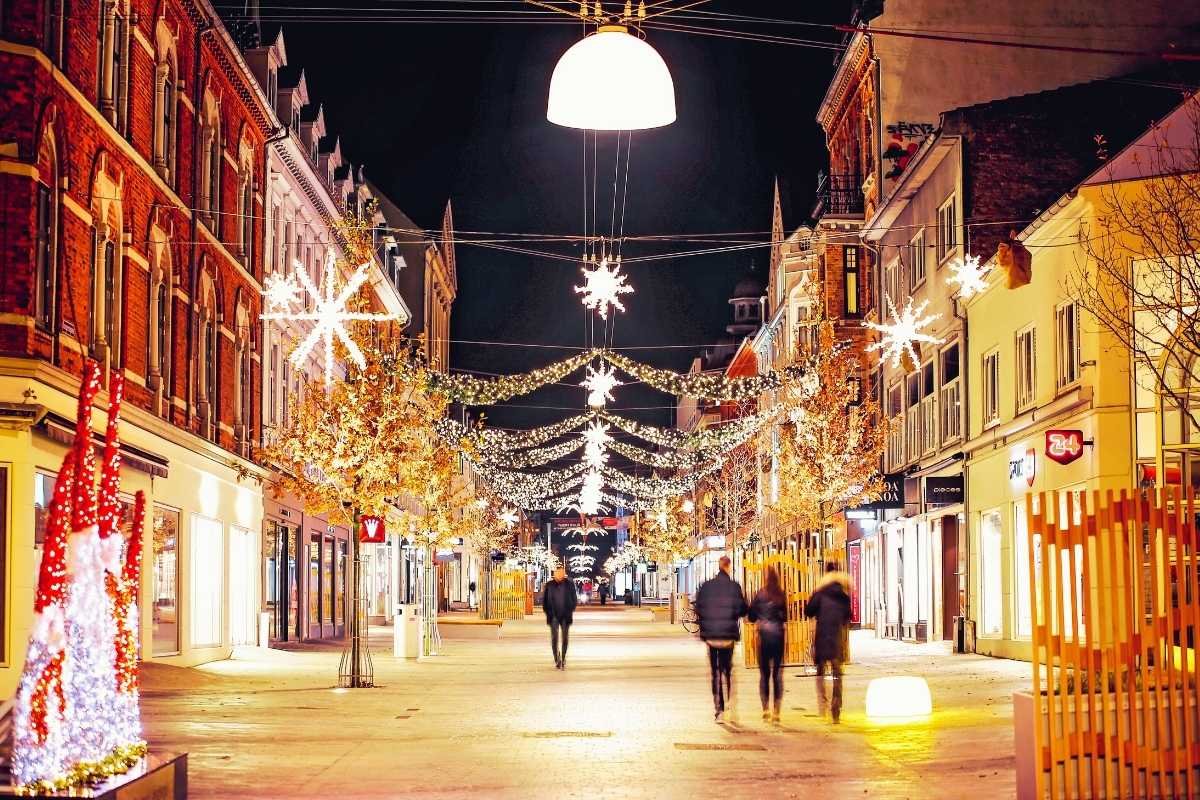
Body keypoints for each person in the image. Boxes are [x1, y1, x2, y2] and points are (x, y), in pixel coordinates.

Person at [694, 556, 748, 721]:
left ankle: (719, 708)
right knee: (727, 670)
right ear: (728, 567)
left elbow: (698, 608)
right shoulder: (734, 587)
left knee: (715, 672)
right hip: (728, 636)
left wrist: (706, 623)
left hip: (711, 637)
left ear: (718, 566)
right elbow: (742, 610)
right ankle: (730, 702)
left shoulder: (706, 586)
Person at [804, 561, 852, 723]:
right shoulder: (844, 596)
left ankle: (822, 704)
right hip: (837, 638)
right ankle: (836, 709)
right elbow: (847, 618)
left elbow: (808, 611)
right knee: (837, 674)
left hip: (822, 636)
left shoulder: (820, 593)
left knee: (821, 672)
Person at [748, 565, 787, 723]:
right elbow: (785, 617)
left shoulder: (760, 594)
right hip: (778, 636)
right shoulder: (781, 594)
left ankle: (765, 709)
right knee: (777, 674)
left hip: (764, 637)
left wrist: (758, 617)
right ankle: (777, 710)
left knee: (764, 675)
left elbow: (751, 616)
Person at [543, 567, 577, 669]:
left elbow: (574, 598)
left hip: (565, 616)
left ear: (564, 574)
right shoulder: (549, 585)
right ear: (554, 574)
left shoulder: (569, 584)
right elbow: (545, 600)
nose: (559, 575)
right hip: (553, 616)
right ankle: (557, 659)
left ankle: (563, 657)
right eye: (558, 573)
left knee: (565, 638)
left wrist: (570, 608)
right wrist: (548, 612)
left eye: (561, 573)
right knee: (554, 639)